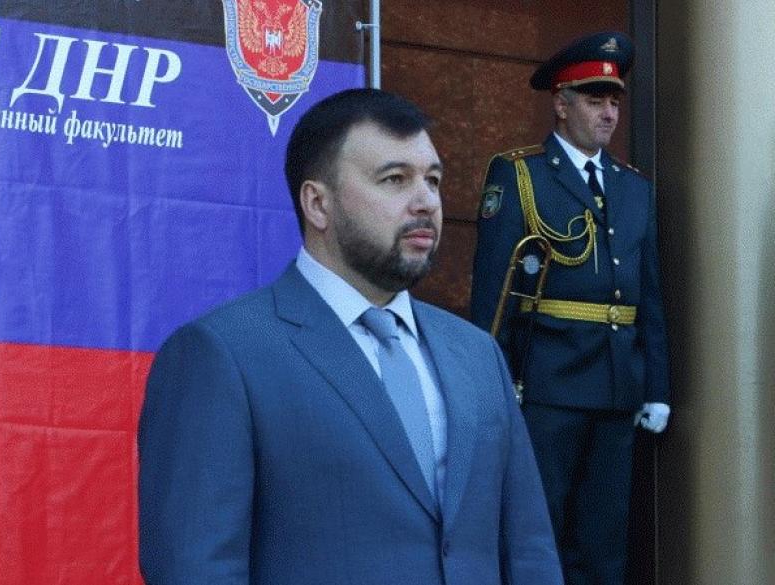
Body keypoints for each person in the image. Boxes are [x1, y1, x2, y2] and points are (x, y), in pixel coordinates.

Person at [139, 88, 562, 585]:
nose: (426, 202)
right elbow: (195, 568)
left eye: (432, 180)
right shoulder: (223, 354)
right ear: (318, 203)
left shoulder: (477, 353)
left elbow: (530, 551)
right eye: (395, 179)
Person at [470, 31, 671, 585]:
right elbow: (494, 294)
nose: (609, 114)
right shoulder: (521, 173)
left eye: (614, 102)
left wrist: (656, 386)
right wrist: (488, 386)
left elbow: (649, 295)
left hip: (617, 387)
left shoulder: (634, 188)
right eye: (594, 100)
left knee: (605, 542)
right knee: (542, 534)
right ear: (561, 104)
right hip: (547, 385)